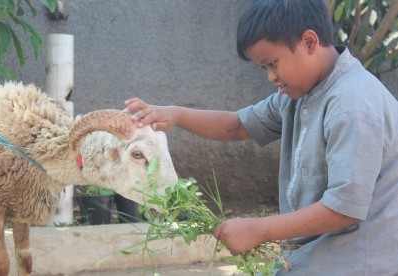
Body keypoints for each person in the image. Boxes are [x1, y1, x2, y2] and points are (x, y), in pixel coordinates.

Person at [123, 0, 398, 274]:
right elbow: (238, 125)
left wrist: (259, 229)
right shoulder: (297, 95)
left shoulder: (353, 104)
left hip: (360, 263)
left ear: (309, 42)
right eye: (263, 68)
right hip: (314, 257)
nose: (270, 77)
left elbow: (344, 208)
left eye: (273, 64)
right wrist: (176, 115)